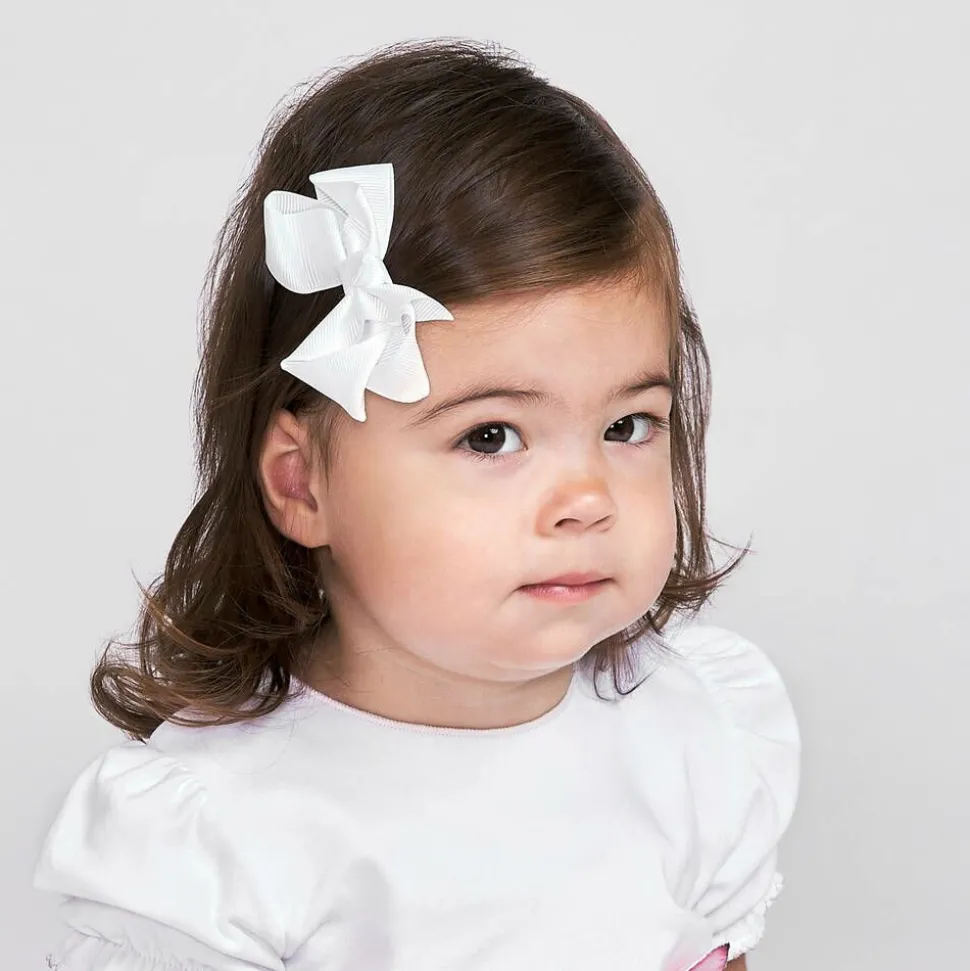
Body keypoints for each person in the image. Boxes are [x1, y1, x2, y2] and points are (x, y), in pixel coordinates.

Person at [33, 38, 801, 971]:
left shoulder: (689, 733)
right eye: (491, 436)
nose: (588, 499)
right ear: (302, 482)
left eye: (627, 426)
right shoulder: (227, 841)